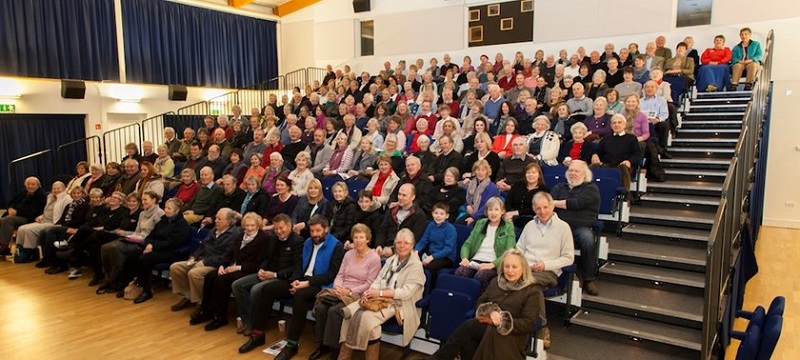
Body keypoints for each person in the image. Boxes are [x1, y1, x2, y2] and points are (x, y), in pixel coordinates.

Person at [237, 215, 344, 357]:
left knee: (299, 295)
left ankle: (292, 345)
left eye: (318, 231)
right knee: (266, 289)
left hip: (320, 284)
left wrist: (306, 283)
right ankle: (258, 334)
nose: (314, 234)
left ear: (326, 229)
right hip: (301, 280)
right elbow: (298, 266)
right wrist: (295, 281)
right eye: (312, 231)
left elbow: (331, 274)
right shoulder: (308, 242)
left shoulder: (336, 246)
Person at [429, 249, 543, 360]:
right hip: (487, 329)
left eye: (514, 267)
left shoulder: (532, 291)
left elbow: (527, 324)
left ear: (523, 268)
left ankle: (438, 358)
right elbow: (480, 302)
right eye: (506, 266)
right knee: (468, 343)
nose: (510, 270)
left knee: (470, 325)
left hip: (511, 337)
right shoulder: (495, 282)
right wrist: (491, 311)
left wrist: (500, 319)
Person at [337, 228, 425, 360]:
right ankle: (345, 356)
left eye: (406, 243)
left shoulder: (416, 265)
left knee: (365, 318)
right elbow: (378, 280)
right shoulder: (391, 260)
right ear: (394, 244)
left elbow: (406, 293)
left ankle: (346, 356)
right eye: (399, 242)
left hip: (400, 305)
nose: (402, 246)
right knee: (352, 318)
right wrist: (370, 291)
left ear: (412, 245)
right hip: (379, 299)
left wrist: (380, 293)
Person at [309, 224, 381, 360]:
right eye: (355, 237)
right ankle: (322, 345)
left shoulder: (374, 258)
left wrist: (349, 291)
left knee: (335, 311)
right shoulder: (348, 254)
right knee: (322, 307)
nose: (358, 240)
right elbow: (340, 274)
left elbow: (370, 284)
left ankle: (334, 352)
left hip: (359, 295)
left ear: (368, 239)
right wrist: (337, 287)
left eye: (361, 237)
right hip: (340, 291)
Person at [516, 192, 576, 347]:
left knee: (527, 283)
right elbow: (519, 248)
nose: (542, 211)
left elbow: (569, 258)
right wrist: (523, 264)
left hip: (548, 271)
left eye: (545, 207)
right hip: (526, 269)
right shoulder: (529, 225)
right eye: (538, 208)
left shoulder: (563, 227)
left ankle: (541, 326)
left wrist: (545, 265)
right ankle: (522, 323)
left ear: (552, 206)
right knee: (516, 282)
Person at [231, 214, 304, 338]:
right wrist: (261, 270)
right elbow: (266, 258)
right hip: (267, 273)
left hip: (282, 278)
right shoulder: (272, 239)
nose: (278, 231)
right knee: (237, 285)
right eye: (275, 229)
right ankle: (248, 320)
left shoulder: (298, 241)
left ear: (289, 226)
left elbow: (295, 267)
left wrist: (274, 275)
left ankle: (254, 324)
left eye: (281, 228)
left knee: (256, 289)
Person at [195, 212, 270, 331]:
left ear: (258, 226)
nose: (249, 228)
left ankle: (220, 317)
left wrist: (237, 267)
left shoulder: (263, 239)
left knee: (222, 280)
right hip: (232, 266)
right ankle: (206, 311)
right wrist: (223, 265)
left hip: (246, 270)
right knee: (210, 276)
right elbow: (229, 253)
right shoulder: (241, 236)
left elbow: (257, 263)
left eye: (252, 226)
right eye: (247, 225)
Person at [169, 208, 241, 312]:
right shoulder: (213, 230)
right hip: (202, 260)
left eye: (219, 219)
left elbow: (226, 257)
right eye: (216, 217)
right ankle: (188, 296)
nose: (215, 220)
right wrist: (194, 257)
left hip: (216, 264)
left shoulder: (234, 235)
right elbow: (202, 246)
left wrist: (205, 262)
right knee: (176, 267)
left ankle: (201, 302)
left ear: (228, 221)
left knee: (195, 273)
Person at [550, 161, 601, 295]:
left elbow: (577, 203)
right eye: (570, 171)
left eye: (576, 171)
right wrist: (554, 203)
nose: (572, 173)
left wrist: (555, 203)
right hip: (559, 226)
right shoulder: (559, 187)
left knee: (588, 239)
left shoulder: (591, 188)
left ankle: (588, 279)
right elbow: (548, 205)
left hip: (580, 227)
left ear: (584, 174)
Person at [130, 198, 192, 303]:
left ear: (177, 210)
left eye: (169, 208)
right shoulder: (163, 220)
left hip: (172, 252)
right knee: (133, 253)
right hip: (157, 248)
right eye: (165, 207)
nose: (166, 210)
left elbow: (172, 243)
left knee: (145, 258)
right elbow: (151, 235)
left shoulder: (182, 224)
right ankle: (134, 284)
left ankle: (146, 290)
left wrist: (153, 247)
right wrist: (149, 244)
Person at [454, 197, 517, 292]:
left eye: (496, 209)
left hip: (493, 263)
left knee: (481, 276)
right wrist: (465, 259)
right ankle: (461, 302)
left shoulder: (508, 226)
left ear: (502, 211)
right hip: (475, 261)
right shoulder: (480, 223)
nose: (493, 213)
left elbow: (509, 251)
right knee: (460, 272)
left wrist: (492, 265)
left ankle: (479, 303)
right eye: (490, 209)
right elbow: (467, 244)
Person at [14, 181, 70, 262]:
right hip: (44, 220)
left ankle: (31, 251)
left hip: (53, 222)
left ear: (64, 189)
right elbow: (46, 211)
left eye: (58, 188)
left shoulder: (67, 199)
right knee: (21, 228)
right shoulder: (50, 197)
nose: (56, 190)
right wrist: (41, 216)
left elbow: (63, 214)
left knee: (29, 230)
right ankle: (23, 252)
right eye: (54, 188)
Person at [592, 114, 642, 196]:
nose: (617, 125)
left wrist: (629, 161)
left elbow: (637, 155)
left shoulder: (631, 138)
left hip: (623, 165)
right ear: (611, 126)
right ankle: (590, 193)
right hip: (607, 164)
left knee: (623, 168)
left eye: (619, 122)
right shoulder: (606, 138)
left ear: (624, 125)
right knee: (593, 166)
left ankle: (625, 195)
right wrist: (595, 155)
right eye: (614, 123)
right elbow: (598, 151)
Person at [375, 184, 428, 259]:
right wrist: (379, 245)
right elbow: (382, 230)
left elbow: (414, 240)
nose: (400, 197)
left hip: (404, 253)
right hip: (385, 248)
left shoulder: (419, 216)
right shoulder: (392, 211)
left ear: (413, 197)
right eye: (399, 194)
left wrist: (393, 250)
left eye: (404, 195)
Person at [0, 177, 46, 255]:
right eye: (28, 184)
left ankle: (4, 245)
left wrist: (17, 212)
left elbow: (33, 211)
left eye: (32, 184)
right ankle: (4, 247)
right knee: (2, 220)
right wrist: (10, 209)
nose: (30, 186)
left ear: (38, 185)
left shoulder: (41, 196)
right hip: (17, 215)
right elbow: (10, 202)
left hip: (30, 218)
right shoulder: (23, 192)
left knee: (7, 220)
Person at [505, 162, 550, 229]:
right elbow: (508, 201)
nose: (531, 175)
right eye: (528, 172)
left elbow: (537, 208)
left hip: (532, 220)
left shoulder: (543, 190)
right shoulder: (518, 185)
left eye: (533, 172)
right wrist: (508, 214)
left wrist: (516, 213)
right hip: (512, 217)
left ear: (539, 175)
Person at [416, 202, 457, 273]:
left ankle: (430, 283)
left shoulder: (450, 229)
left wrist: (432, 257)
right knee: (412, 260)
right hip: (431, 253)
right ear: (432, 214)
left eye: (441, 214)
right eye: (436, 213)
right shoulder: (431, 226)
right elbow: (423, 240)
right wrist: (416, 251)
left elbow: (448, 249)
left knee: (430, 267)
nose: (438, 216)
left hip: (445, 257)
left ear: (447, 216)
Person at [459, 160, 500, 225]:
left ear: (487, 171)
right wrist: (467, 205)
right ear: (474, 171)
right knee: (458, 224)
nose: (480, 172)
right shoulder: (472, 183)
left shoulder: (491, 187)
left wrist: (473, 217)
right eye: (478, 170)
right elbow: (467, 198)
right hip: (471, 212)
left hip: (483, 215)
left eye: (483, 170)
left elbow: (487, 206)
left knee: (469, 226)